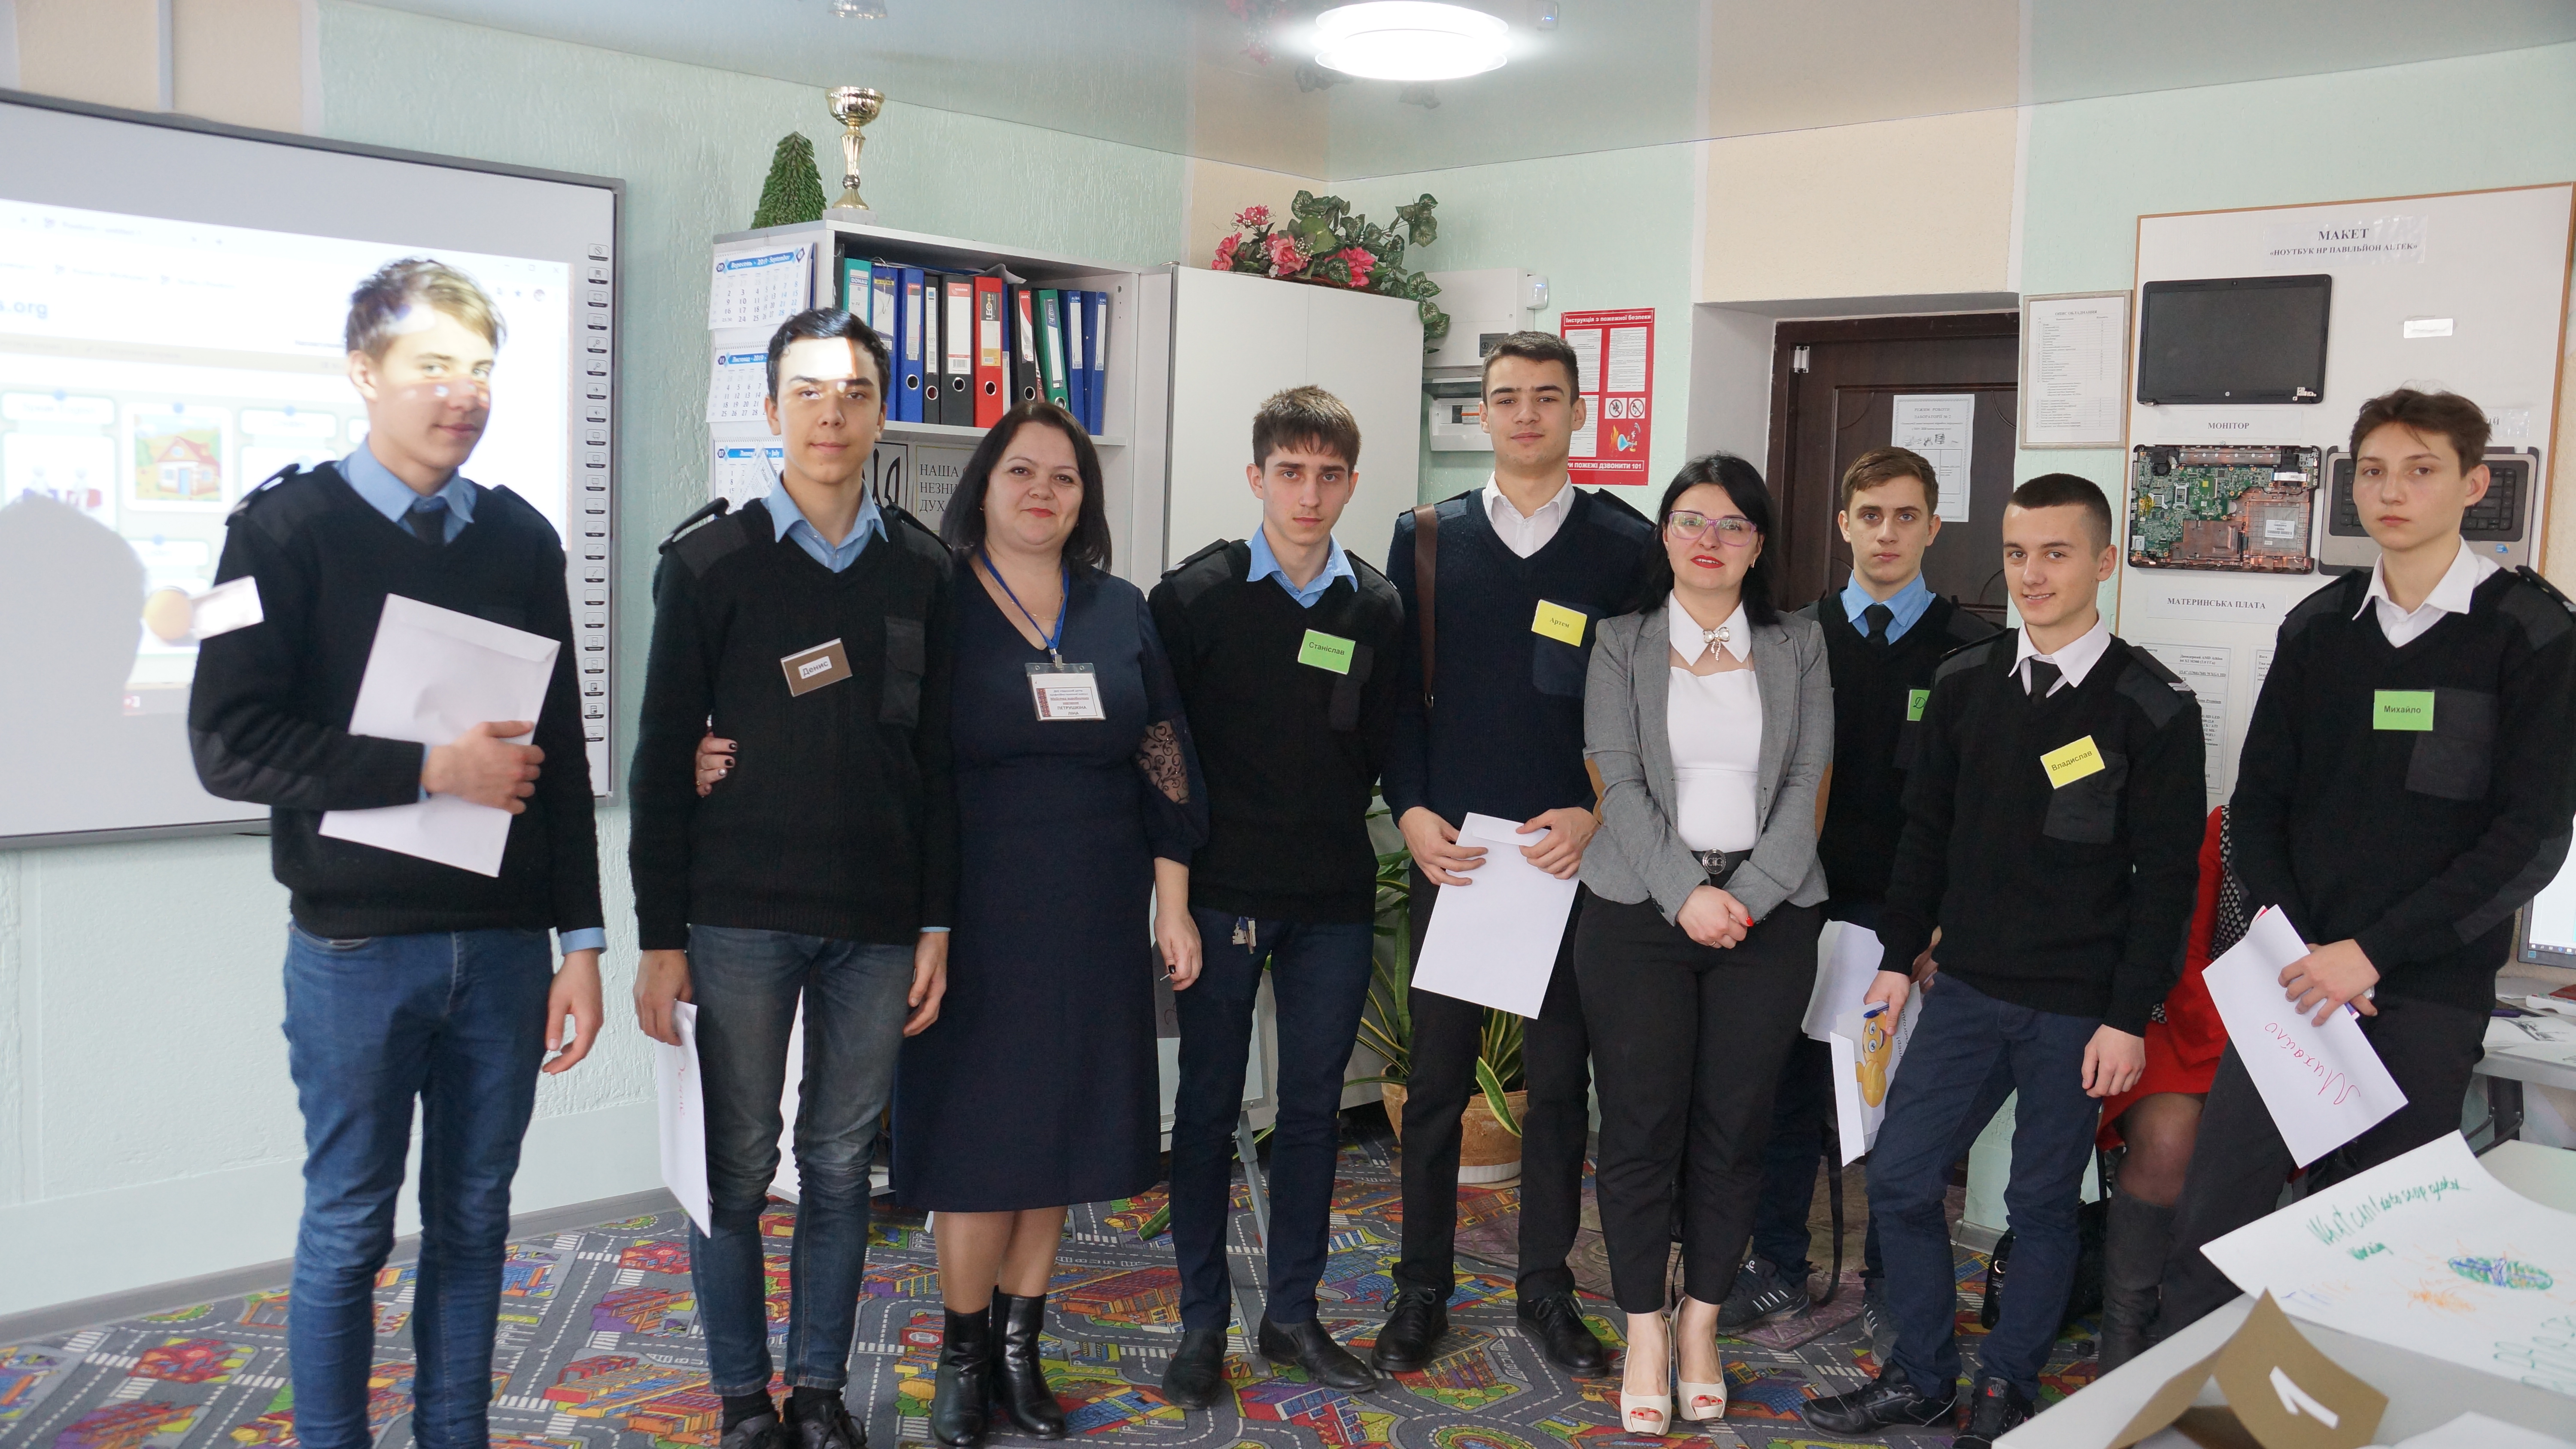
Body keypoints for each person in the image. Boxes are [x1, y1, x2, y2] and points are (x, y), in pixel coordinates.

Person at [188, 258, 605, 1449]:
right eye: (432, 366)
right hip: (357, 951)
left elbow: (561, 753)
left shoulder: (522, 537)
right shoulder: (274, 530)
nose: (462, 394)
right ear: (364, 373)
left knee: (476, 1223)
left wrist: (581, 941)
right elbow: (225, 743)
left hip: (506, 953)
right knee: (349, 1230)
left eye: (480, 369)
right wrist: (428, 769)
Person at [2155, 389, 2576, 1337]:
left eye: (2421, 470)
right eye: (2375, 472)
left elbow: (2530, 840)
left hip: (2424, 990)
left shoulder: (2532, 633)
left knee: (2378, 1249)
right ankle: (2188, 1401)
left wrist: (2373, 954)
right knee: (2215, 1228)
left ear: (2474, 484)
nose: (2392, 492)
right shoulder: (2319, 626)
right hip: (2297, 980)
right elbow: (2259, 806)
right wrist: (2308, 949)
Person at [1801, 473, 2204, 1448]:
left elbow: (2167, 885)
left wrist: (2128, 1016)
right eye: (2018, 554)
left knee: (2040, 1203)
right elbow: (1926, 835)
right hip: (1967, 988)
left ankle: (2008, 1383)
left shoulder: (2154, 706)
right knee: (1902, 1178)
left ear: (2105, 563)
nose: (2032, 574)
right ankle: (1924, 1375)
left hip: (2078, 1009)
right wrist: (1897, 957)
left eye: (2057, 553)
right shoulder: (1965, 682)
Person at [632, 308, 956, 1449]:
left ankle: (818, 1391)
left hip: (876, 920)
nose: (832, 413)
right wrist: (659, 937)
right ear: (771, 410)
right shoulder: (707, 563)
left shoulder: (924, 568)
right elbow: (660, 762)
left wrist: (937, 923)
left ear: (880, 413)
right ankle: (741, 1398)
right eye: (809, 392)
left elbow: (939, 767)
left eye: (855, 392)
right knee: (734, 1166)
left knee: (838, 1165)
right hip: (738, 918)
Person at [895, 399, 1207, 1446]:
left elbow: (1165, 752)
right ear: (983, 486)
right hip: (971, 912)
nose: (1043, 491)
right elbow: (888, 747)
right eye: (1021, 471)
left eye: (1065, 477)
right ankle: (963, 1354)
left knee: (1061, 1133)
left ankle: (1021, 1347)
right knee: (980, 1138)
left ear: (1086, 497)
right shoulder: (938, 598)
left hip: (1093, 909)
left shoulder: (1119, 607)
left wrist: (1172, 901)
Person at [1376, 330, 1658, 1377]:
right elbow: (1397, 699)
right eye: (1506, 397)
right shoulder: (1427, 539)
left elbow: (1645, 709)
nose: (1526, 413)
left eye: (1547, 396)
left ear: (1578, 411)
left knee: (1558, 1087)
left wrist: (1595, 810)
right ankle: (1420, 1286)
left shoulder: (1626, 546)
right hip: (1454, 857)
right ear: (1482, 414)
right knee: (1435, 1085)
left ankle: (1545, 1286)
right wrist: (1410, 809)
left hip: (1565, 863)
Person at [1148, 386, 1407, 1406]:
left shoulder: (1378, 606)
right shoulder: (1194, 597)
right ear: (1257, 477)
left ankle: (1293, 1312)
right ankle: (1200, 1321)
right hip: (1220, 895)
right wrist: (1170, 899)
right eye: (1290, 472)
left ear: (1351, 482)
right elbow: (1161, 755)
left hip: (1333, 899)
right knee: (1208, 1107)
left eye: (1329, 474)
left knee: (1312, 1112)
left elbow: (1386, 744)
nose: (1309, 493)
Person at [1575, 455, 1832, 1435]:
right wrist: (1687, 895)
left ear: (1758, 544)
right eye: (1690, 520)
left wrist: (1745, 898)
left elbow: (1808, 781)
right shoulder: (1621, 641)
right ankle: (1645, 1325)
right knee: (1640, 1127)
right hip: (1638, 914)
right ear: (1665, 534)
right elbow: (1618, 780)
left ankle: (1700, 1324)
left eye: (1732, 524)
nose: (1709, 540)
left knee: (1735, 1130)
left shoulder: (1799, 644)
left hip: (1770, 919)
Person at [1725, 447, 1999, 1353]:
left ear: (1933, 527)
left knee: (1897, 1112)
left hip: (1905, 922)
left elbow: (1981, 806)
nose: (1887, 533)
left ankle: (1891, 1281)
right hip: (1795, 906)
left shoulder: (1974, 651)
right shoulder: (1789, 638)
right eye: (1871, 515)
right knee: (1782, 1097)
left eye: (1906, 516)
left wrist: (1944, 922)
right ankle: (1776, 1262)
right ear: (1843, 524)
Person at [2092, 804, 2236, 1369]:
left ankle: (2192, 1331)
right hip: (2183, 1018)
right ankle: (2124, 1330)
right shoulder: (2228, 828)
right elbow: (2188, 948)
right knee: (2171, 1139)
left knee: (2242, 1144)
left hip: (2293, 1039)